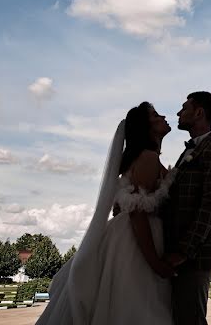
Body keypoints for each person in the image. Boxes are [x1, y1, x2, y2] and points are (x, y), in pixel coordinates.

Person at [35, 102, 175, 325]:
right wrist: (155, 263)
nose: (163, 117)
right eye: (156, 115)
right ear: (145, 126)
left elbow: (121, 206)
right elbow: (137, 212)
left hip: (125, 237)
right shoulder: (148, 157)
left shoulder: (140, 158)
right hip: (137, 244)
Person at [162, 91, 211, 325]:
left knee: (190, 318)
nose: (178, 113)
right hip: (183, 251)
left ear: (199, 112)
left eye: (184, 108)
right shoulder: (190, 151)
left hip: (196, 254)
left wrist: (183, 251)